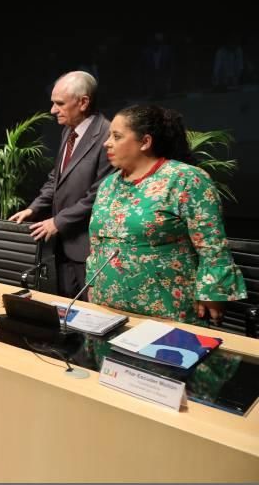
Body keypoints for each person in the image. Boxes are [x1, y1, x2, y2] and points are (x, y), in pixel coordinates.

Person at [87, 104, 246, 326]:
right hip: (109, 307)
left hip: (167, 311)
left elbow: (212, 245)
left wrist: (213, 293)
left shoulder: (186, 179)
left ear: (145, 142)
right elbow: (97, 243)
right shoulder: (108, 185)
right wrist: (92, 284)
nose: (107, 143)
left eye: (117, 136)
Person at [10, 71, 114, 298]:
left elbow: (99, 195)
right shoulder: (69, 131)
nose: (52, 110)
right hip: (64, 243)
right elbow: (56, 179)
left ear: (83, 102)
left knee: (88, 317)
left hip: (88, 247)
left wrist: (58, 221)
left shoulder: (108, 136)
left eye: (59, 104)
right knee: (65, 313)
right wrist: (34, 208)